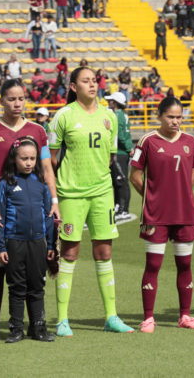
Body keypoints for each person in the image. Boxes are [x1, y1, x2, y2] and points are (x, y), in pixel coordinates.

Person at [49, 67, 134, 336]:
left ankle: (111, 316)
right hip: (71, 194)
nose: (92, 85)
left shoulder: (110, 116)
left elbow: (110, 158)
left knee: (104, 252)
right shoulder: (62, 116)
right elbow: (51, 160)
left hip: (102, 193)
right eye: (85, 81)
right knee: (70, 252)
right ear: (73, 87)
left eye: (94, 81)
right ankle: (62, 320)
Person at [0, 79, 58, 342]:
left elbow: (47, 169)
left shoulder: (38, 130)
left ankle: (34, 326)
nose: (17, 103)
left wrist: (54, 201)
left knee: (32, 272)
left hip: (31, 212)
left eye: (21, 98)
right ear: (1, 100)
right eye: (11, 98)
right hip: (1, 212)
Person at [130, 97, 194, 333]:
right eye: (170, 117)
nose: (175, 121)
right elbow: (135, 175)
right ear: (159, 116)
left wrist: (183, 191)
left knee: (185, 264)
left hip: (184, 213)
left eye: (179, 117)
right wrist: (152, 197)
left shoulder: (190, 141)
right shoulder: (148, 141)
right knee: (153, 264)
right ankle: (149, 318)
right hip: (156, 215)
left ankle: (185, 316)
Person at [0, 137, 56, 343]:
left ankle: (38, 328)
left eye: (32, 158)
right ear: (15, 159)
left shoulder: (41, 183)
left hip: (38, 243)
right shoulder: (6, 183)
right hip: (14, 242)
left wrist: (51, 244)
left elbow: (48, 215)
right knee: (17, 286)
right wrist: (1, 246)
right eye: (24, 159)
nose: (29, 163)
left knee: (37, 286)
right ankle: (16, 329)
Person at [106, 92, 132, 222]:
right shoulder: (122, 115)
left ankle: (123, 209)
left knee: (121, 181)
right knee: (117, 181)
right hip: (121, 152)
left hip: (119, 152)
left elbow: (120, 135)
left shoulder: (116, 116)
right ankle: (118, 206)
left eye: (110, 100)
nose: (108, 102)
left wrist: (128, 148)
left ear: (115, 102)